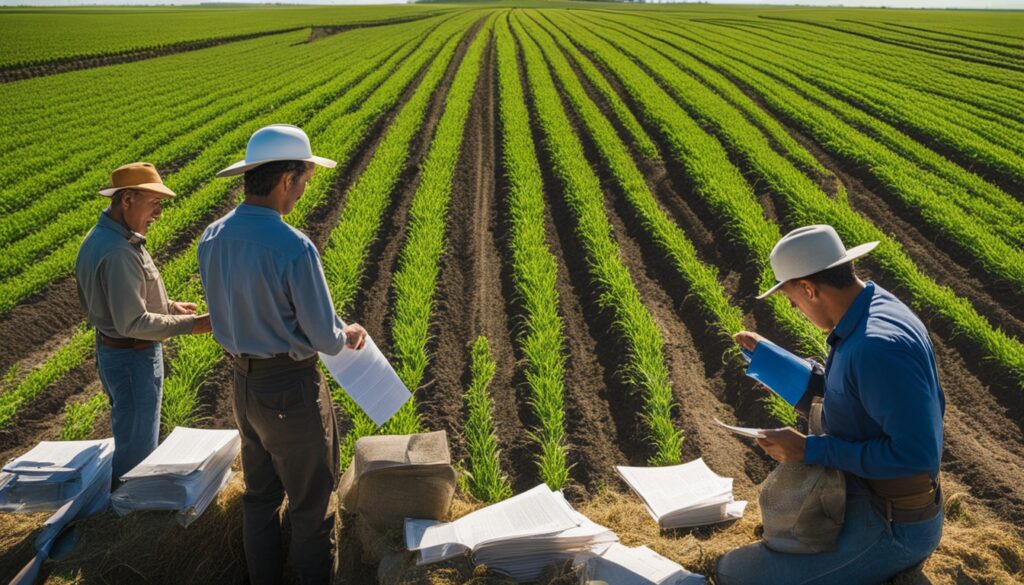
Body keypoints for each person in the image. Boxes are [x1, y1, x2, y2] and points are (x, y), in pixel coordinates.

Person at [716, 225, 945, 585]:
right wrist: (770, 360)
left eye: (793, 300)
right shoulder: (872, 307)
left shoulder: (876, 347)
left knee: (734, 573)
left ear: (808, 288)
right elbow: (845, 395)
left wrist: (810, 450)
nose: (796, 309)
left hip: (892, 525)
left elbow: (915, 455)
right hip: (869, 495)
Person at [198, 124, 367, 585]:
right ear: (286, 180)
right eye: (304, 182)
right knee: (312, 507)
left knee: (258, 498)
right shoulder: (294, 247)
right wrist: (345, 332)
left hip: (243, 385)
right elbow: (324, 336)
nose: (302, 194)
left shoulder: (211, 237)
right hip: (290, 390)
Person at [75, 162, 212, 484]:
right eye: (154, 203)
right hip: (132, 358)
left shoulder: (104, 238)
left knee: (131, 434)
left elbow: (123, 300)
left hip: (115, 353)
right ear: (127, 200)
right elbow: (133, 323)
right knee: (137, 453)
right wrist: (196, 324)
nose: (159, 213)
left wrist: (169, 307)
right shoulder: (119, 251)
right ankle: (128, 517)